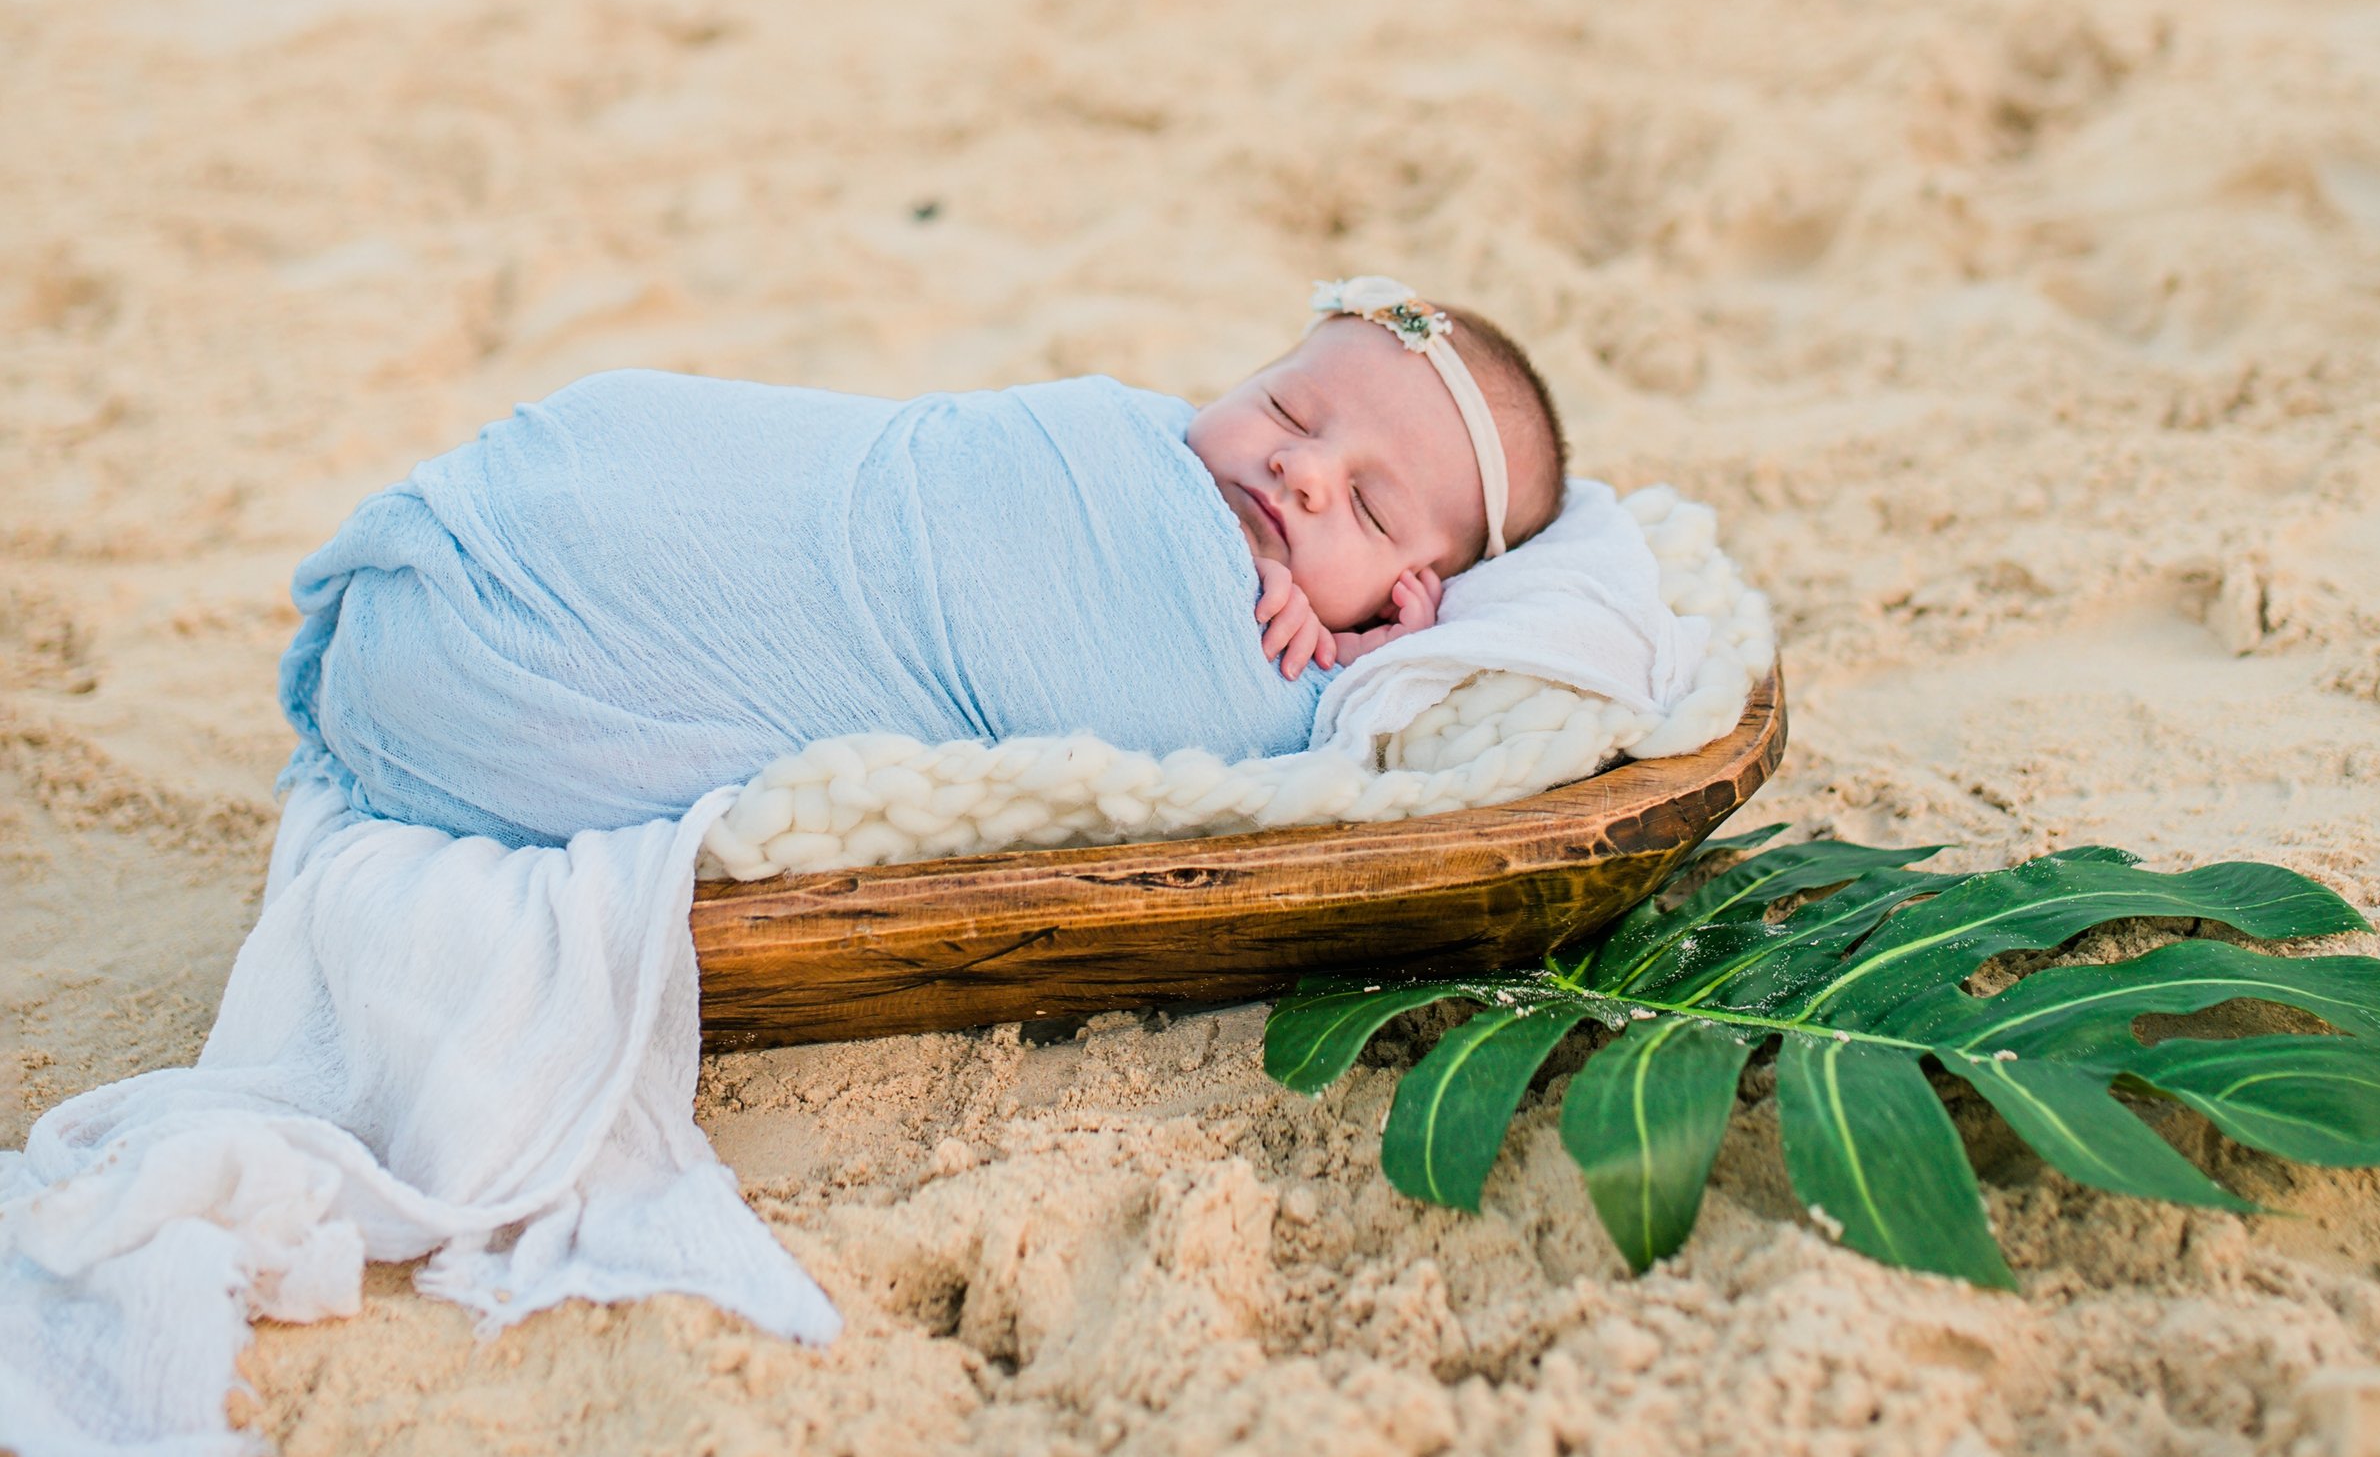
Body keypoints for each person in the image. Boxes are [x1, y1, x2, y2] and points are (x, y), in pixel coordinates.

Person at [279, 280, 1568, 850]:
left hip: (479, 680)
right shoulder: (1108, 448)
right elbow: (984, 507)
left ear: (1414, 597)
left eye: (1366, 507)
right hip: (618, 484)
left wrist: (1323, 671)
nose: (1299, 474)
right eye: (1287, 413)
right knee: (657, 463)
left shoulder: (1270, 667)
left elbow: (1184, 737)